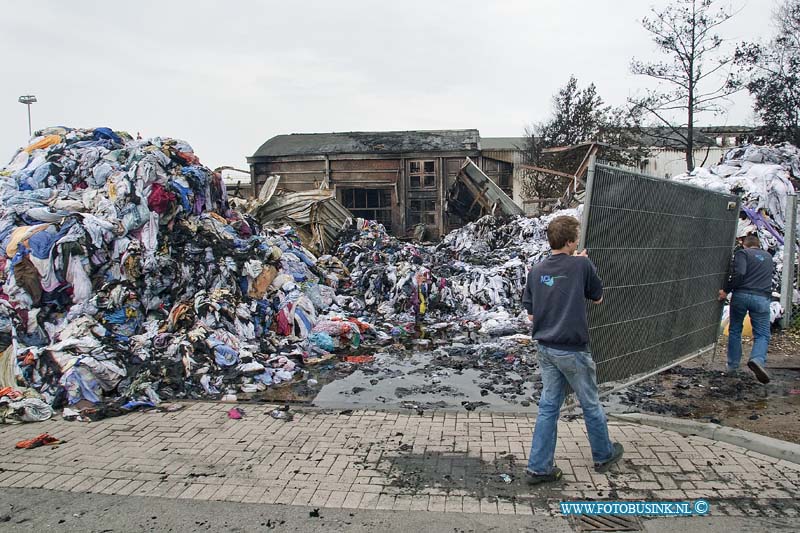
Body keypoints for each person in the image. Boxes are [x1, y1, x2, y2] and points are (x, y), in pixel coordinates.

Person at [521, 215, 623, 485]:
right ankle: (603, 454)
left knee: (548, 407)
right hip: (573, 350)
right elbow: (598, 298)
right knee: (590, 403)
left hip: (546, 349)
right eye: (576, 237)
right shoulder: (581, 265)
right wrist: (582, 264)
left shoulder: (536, 270)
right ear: (569, 241)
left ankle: (539, 468)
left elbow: (530, 316)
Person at [719, 233, 774, 384]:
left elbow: (740, 273)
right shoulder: (768, 257)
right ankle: (757, 359)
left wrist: (726, 290)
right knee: (762, 334)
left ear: (745, 244)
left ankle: (733, 367)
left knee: (735, 330)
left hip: (741, 296)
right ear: (758, 244)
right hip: (762, 298)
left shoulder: (742, 253)